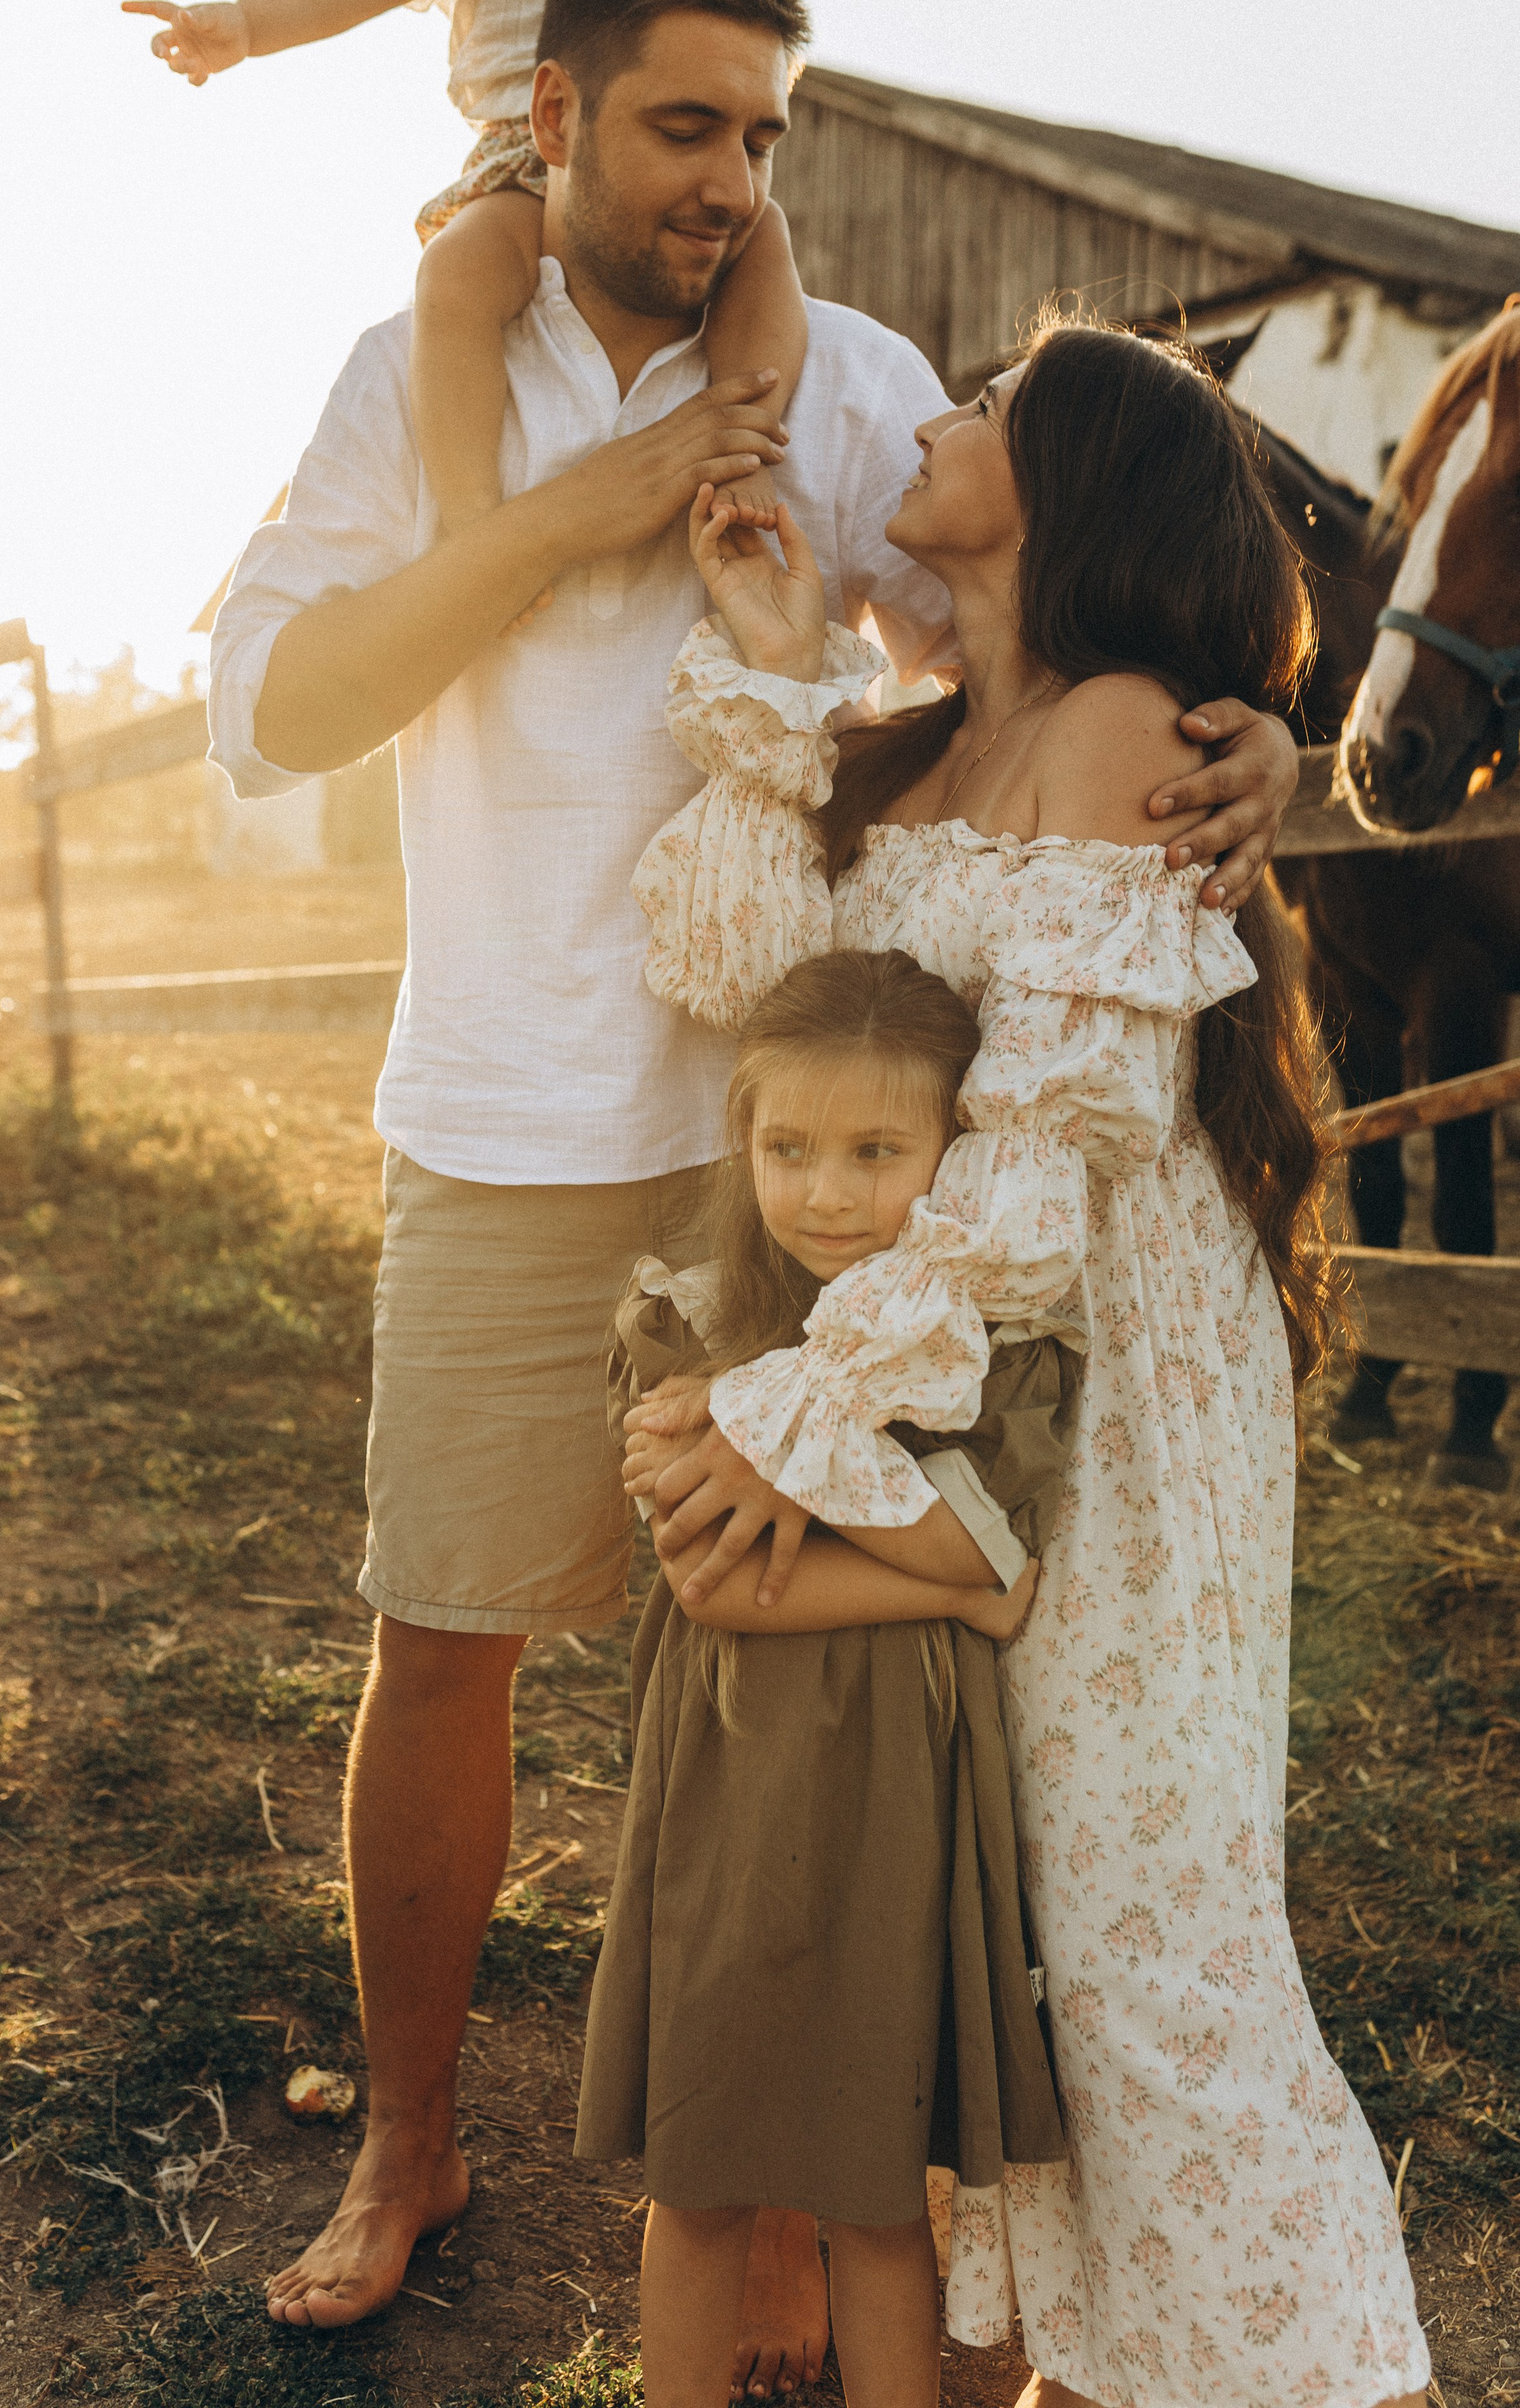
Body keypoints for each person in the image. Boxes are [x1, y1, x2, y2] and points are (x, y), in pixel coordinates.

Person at [205, 0, 1301, 2379]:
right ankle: (409, 2137)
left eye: (760, 137)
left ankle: (802, 2170)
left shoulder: (854, 387)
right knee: (444, 1631)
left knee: (788, 1681)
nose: (725, 180)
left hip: (821, 1167)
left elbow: (1023, 656)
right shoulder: (412, 375)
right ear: (552, 113)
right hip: (501, 1121)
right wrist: (563, 521)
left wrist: (1227, 733)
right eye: (681, 125)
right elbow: (274, 707)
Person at [632, 320, 1430, 2407]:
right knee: (997, 1901)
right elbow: (733, 975)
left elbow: (1039, 1157)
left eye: (985, 407)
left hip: (1104, 1367)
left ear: (1076, 478)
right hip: (959, 1362)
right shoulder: (917, 742)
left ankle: (1308, 2368)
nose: (930, 416)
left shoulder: (1117, 726)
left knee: (1140, 1910)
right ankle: (1061, 2366)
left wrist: (803, 1419)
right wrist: (781, 672)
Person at [577, 944, 1071, 2408]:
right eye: (787, 1147)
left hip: (900, 1791)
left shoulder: (973, 1346)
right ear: (740, 1137)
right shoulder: (691, 1321)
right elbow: (712, 1579)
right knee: (699, 2170)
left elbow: (990, 1546)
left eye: (877, 1152)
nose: (828, 1194)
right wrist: (963, 1589)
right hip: (729, 1779)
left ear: (953, 1156)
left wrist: (946, 1549)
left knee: (874, 2187)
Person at [124, 0, 806, 552]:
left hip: (624, 171)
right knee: (454, 275)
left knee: (766, 236)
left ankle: (742, 439)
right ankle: (472, 518)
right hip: (520, 164)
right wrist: (249, 25)